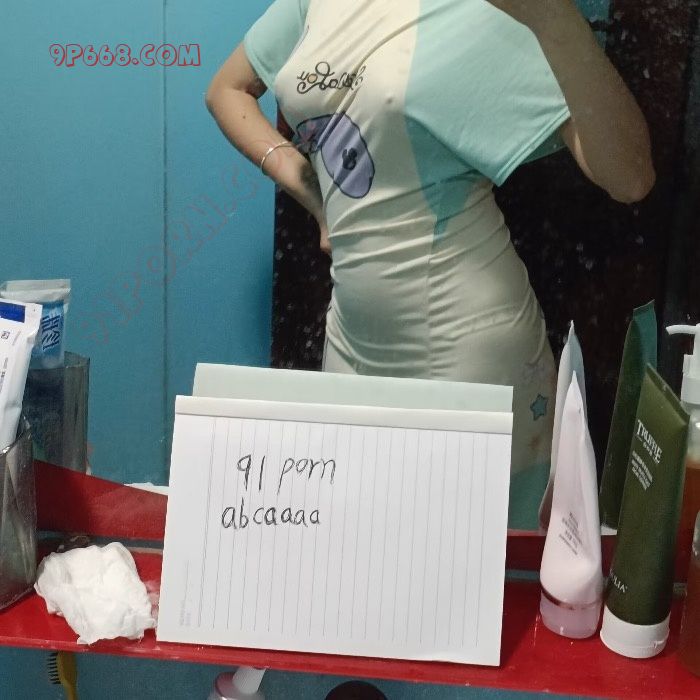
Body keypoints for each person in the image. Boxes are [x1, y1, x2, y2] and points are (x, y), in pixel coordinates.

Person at [205, 0, 654, 527]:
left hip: (466, 349)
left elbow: (630, 178)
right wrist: (312, 193)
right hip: (349, 340)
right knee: (352, 546)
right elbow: (226, 90)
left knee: (479, 561)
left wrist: (555, 19)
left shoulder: (492, 11)